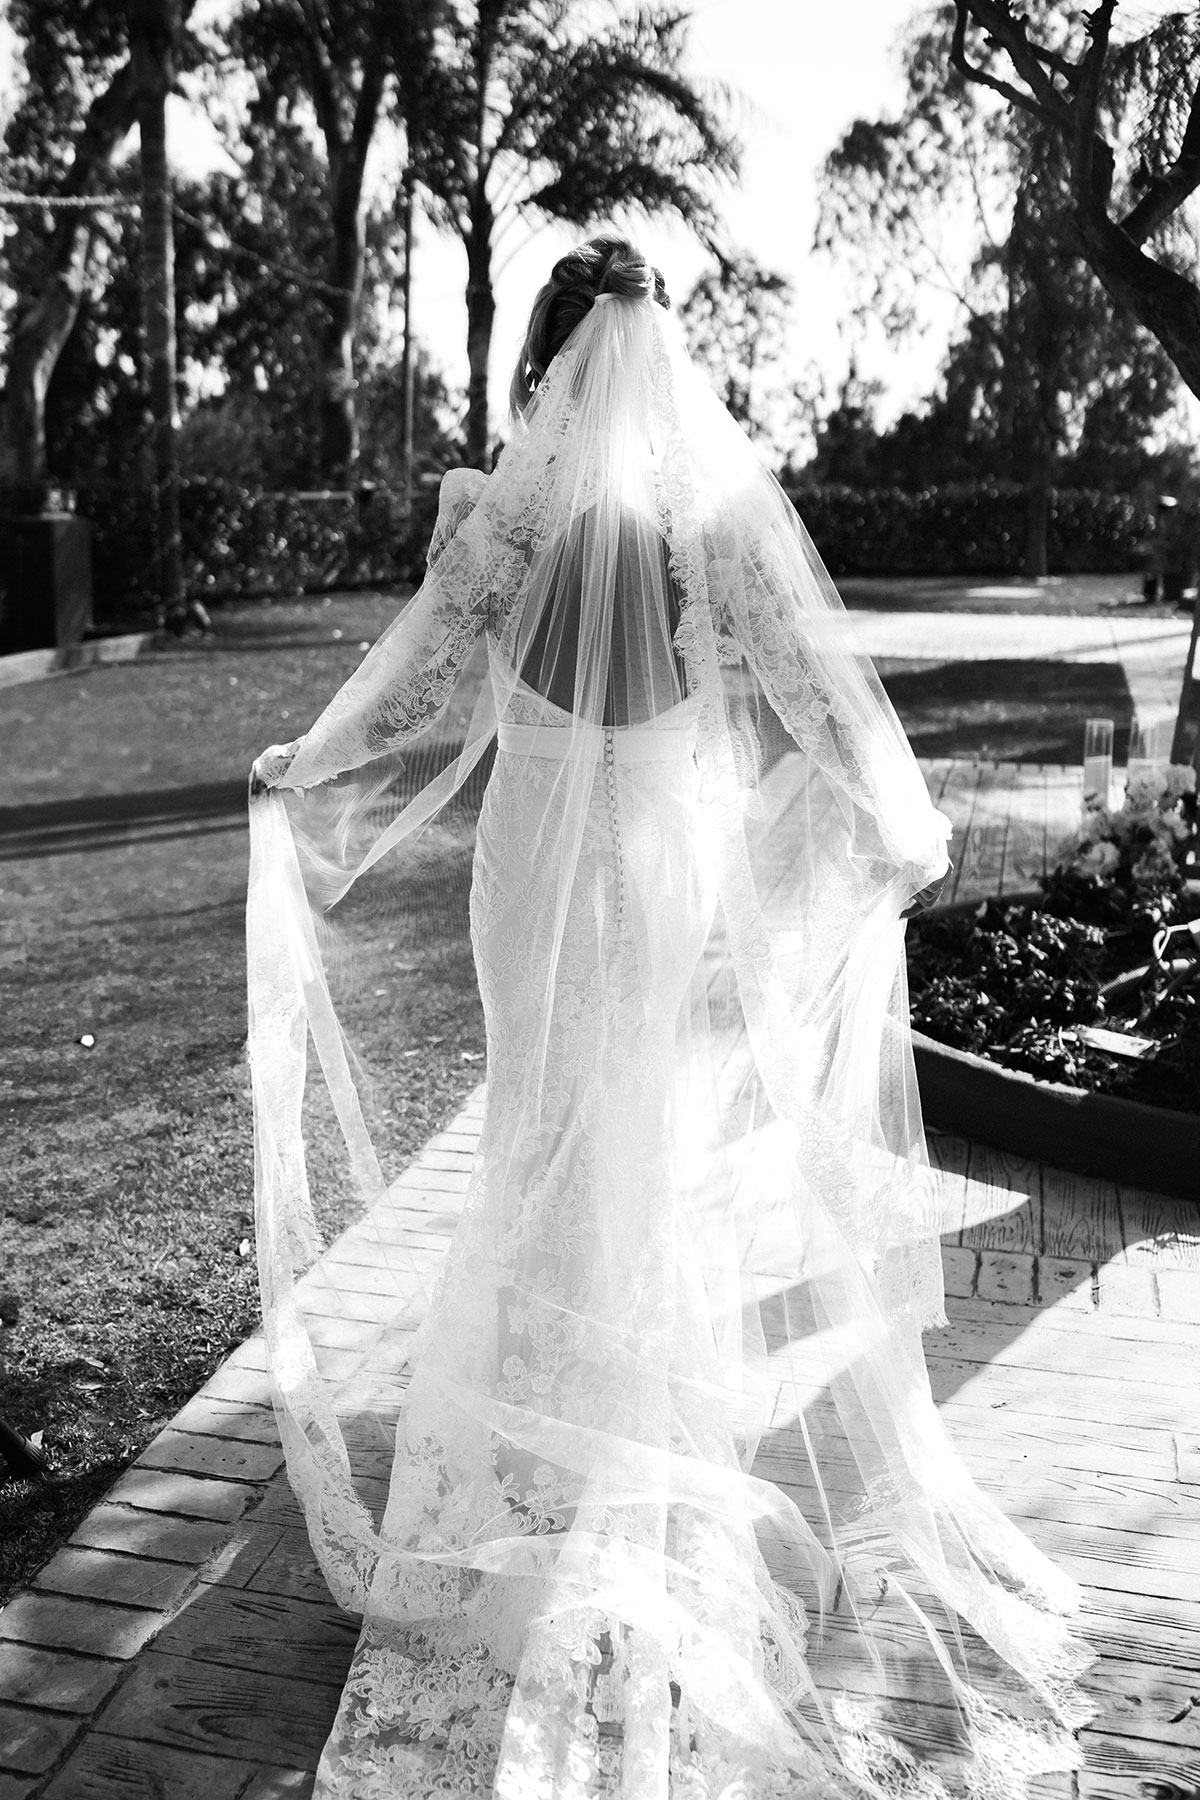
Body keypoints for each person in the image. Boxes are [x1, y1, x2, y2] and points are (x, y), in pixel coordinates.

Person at [247, 236, 1093, 1798]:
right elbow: (815, 689)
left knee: (537, 1128)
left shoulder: (501, 513)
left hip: (531, 871)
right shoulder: (712, 517)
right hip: (660, 865)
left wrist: (305, 765)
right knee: (645, 1138)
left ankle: (539, 1445)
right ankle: (628, 1437)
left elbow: (417, 678)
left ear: (549, 359)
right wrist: (901, 814)